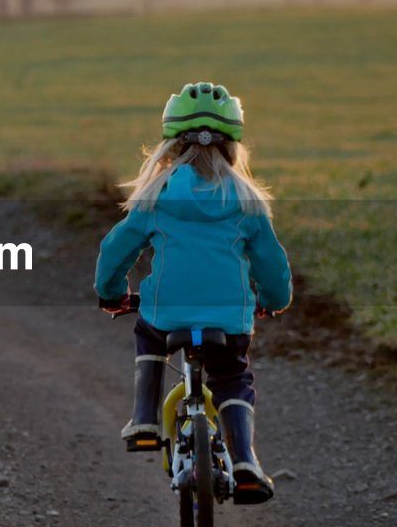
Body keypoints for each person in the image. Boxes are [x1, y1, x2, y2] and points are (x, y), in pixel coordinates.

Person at [94, 81, 292, 504]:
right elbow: (272, 266)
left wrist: (111, 292)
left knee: (149, 331)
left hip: (168, 314)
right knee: (232, 379)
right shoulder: (248, 201)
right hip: (229, 320)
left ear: (170, 144)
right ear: (232, 146)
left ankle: (145, 419)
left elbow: (116, 250)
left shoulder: (157, 196)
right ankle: (245, 464)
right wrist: (274, 302)